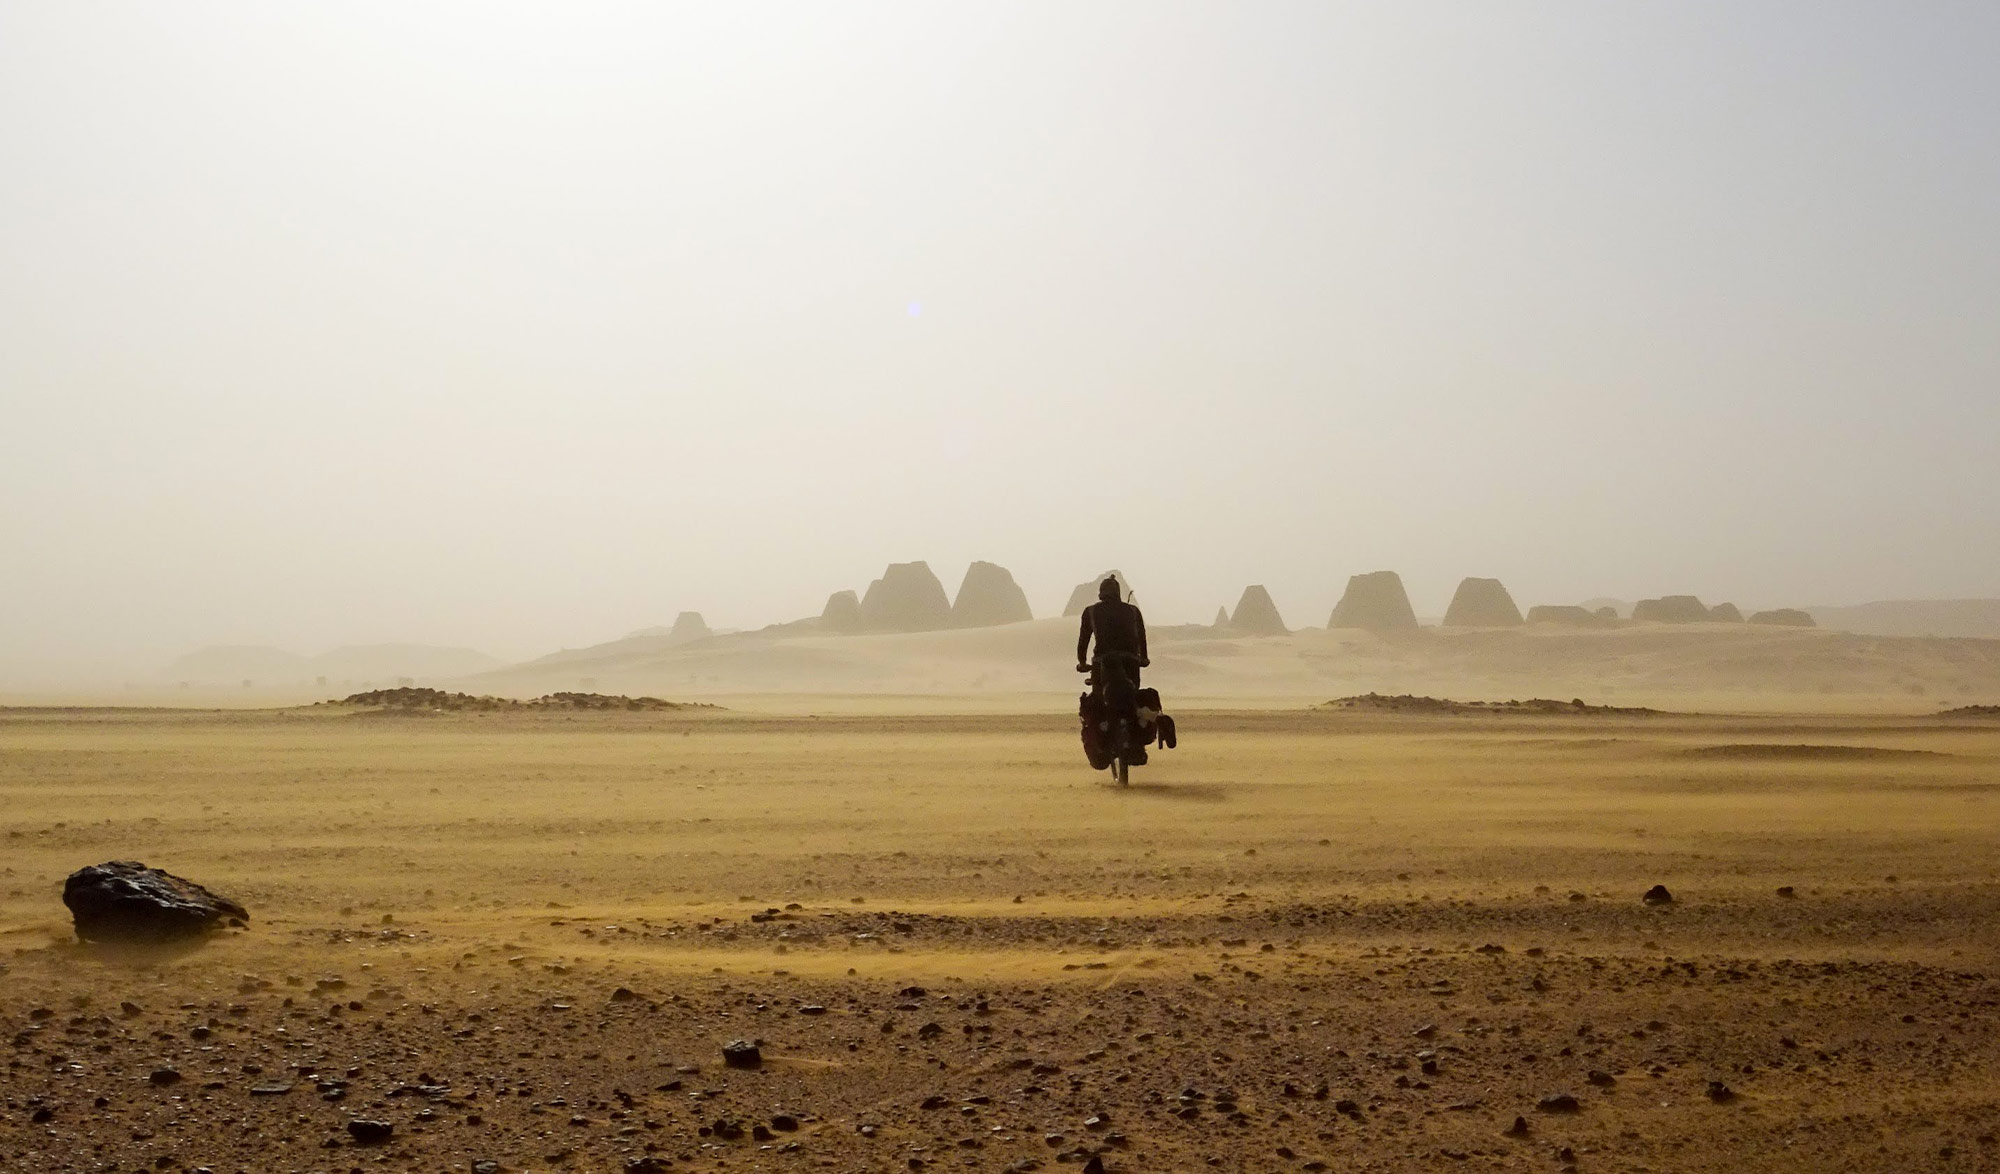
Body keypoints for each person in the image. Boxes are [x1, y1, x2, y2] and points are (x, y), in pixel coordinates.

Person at [1076, 577, 1148, 690]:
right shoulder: (1133, 611)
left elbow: (1083, 642)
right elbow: (1141, 639)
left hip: (1101, 664)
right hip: (1130, 664)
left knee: (1096, 702)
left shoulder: (1090, 611)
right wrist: (1143, 659)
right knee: (1135, 698)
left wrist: (1082, 663)